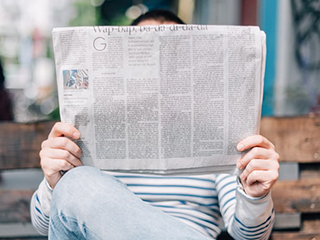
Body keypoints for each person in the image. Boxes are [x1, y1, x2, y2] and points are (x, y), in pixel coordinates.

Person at [30, 9, 279, 240]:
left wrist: (255, 196)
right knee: (77, 183)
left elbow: (249, 236)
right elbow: (46, 225)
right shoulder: (85, 133)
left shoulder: (217, 134)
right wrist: (54, 182)